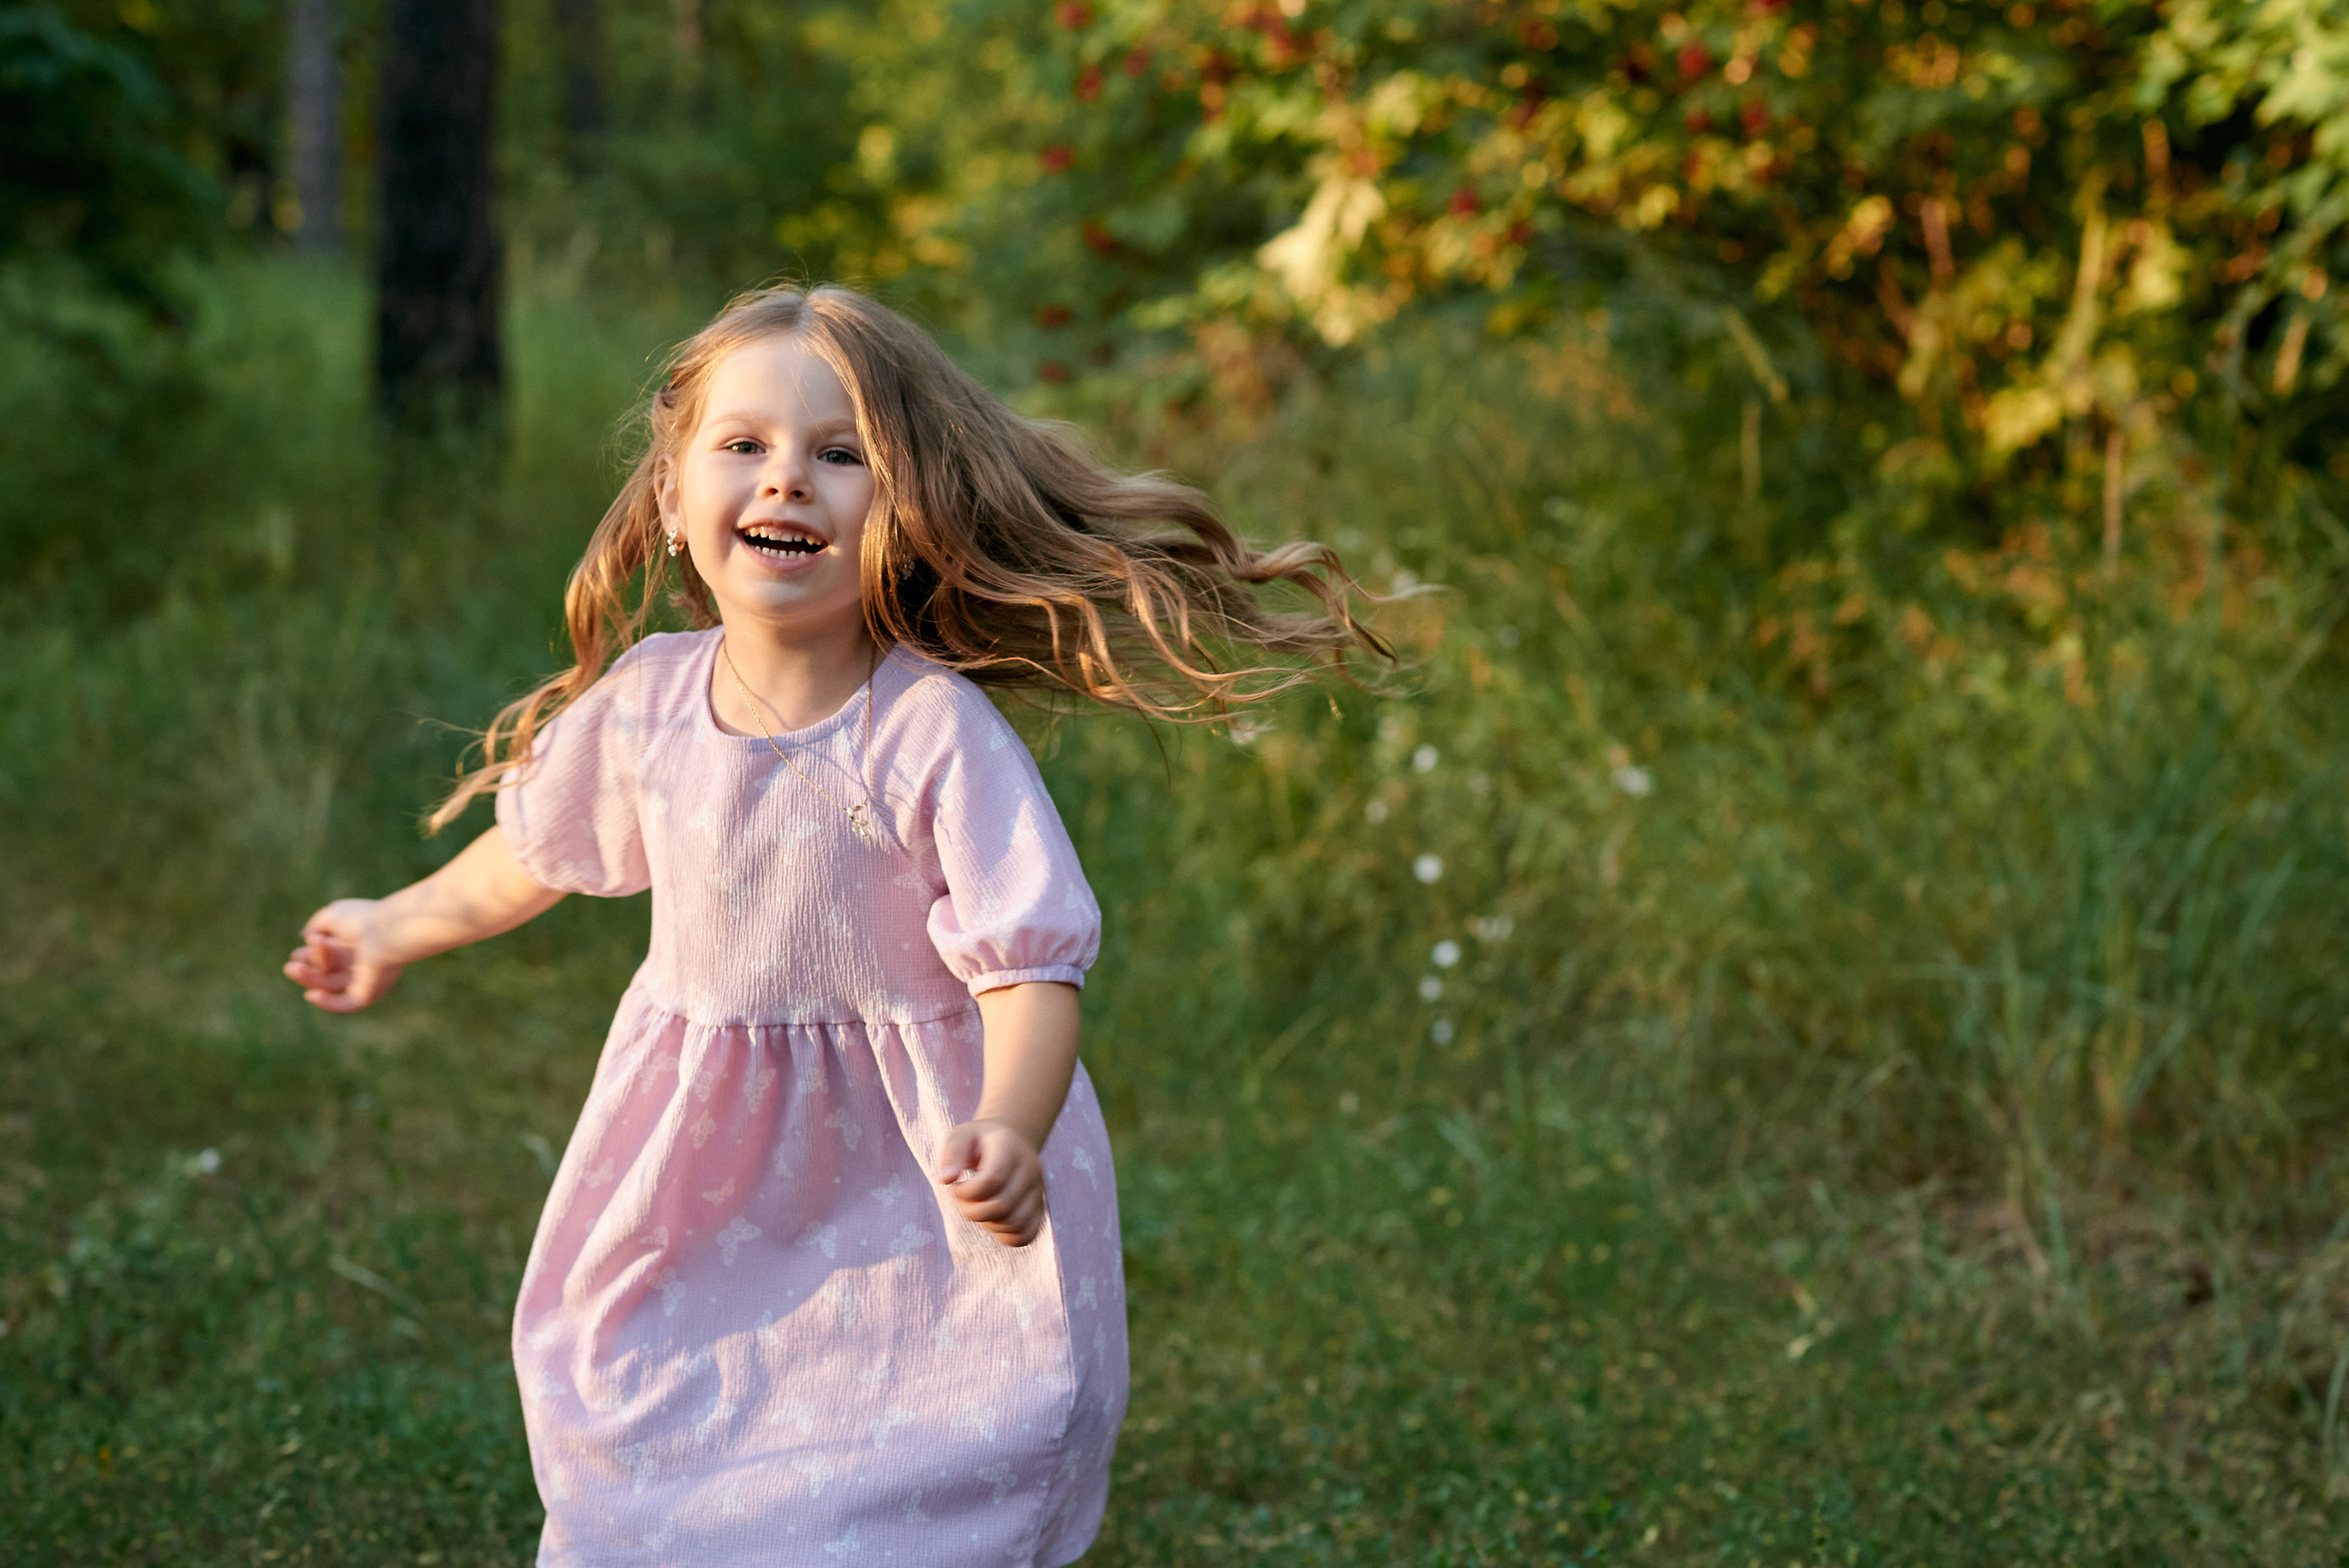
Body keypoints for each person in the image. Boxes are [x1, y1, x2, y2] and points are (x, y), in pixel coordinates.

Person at [281, 284, 1385, 1566]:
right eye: (742, 445)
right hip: (693, 1171)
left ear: (908, 508)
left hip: (916, 1181)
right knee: (652, 1450)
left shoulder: (928, 730)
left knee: (919, 1466)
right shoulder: (647, 704)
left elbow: (1031, 969)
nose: (786, 481)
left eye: (841, 453)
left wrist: (1012, 1128)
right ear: (672, 486)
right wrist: (390, 923)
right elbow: (529, 856)